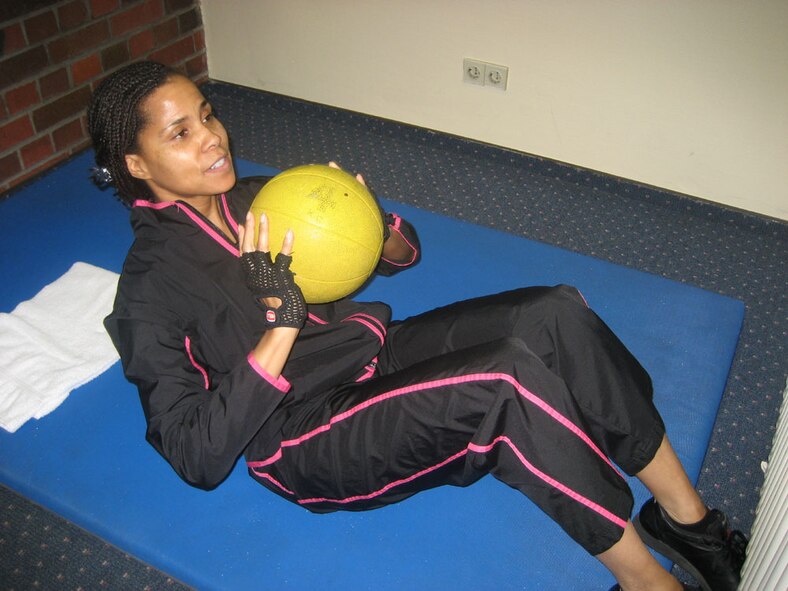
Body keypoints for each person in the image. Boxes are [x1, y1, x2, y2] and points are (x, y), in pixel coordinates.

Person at [88, 61, 746, 591]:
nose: (212, 137)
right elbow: (194, 455)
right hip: (301, 434)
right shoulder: (149, 291)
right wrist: (281, 322)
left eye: (206, 115)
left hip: (372, 352)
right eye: (180, 133)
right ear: (136, 165)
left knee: (555, 312)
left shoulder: (260, 196)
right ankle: (646, 582)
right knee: (506, 382)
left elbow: (406, 255)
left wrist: (370, 223)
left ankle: (690, 523)